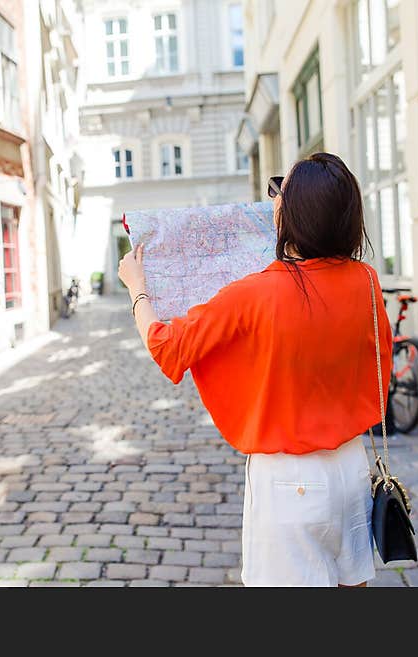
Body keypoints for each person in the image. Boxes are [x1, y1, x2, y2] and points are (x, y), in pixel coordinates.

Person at [118, 152, 392, 587]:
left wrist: (138, 289)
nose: (273, 197)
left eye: (278, 190)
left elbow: (167, 347)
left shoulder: (255, 294)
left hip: (289, 482)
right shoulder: (366, 279)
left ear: (289, 212)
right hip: (351, 470)